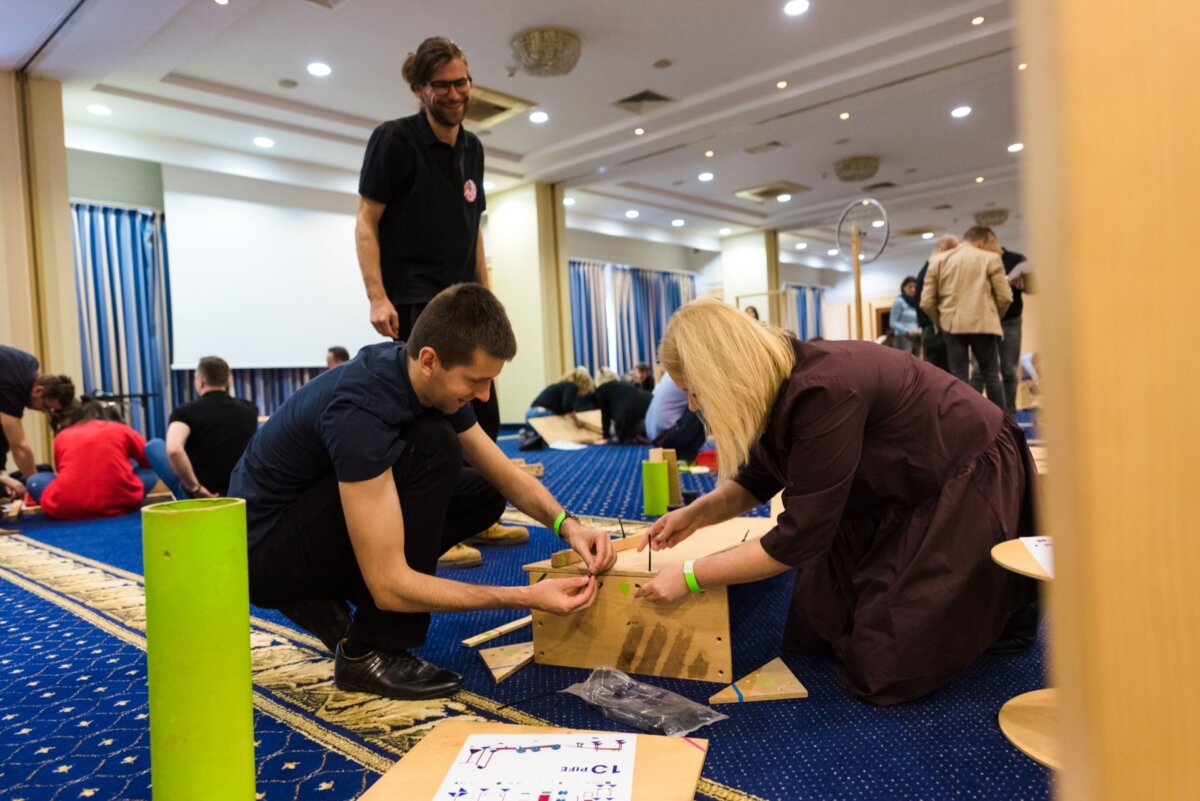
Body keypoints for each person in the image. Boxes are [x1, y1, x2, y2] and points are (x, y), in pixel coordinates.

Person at [634, 299, 1037, 705]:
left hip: (959, 474)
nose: (693, 406)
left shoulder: (823, 391)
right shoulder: (776, 380)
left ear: (724, 371)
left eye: (696, 391)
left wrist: (690, 575)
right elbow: (758, 477)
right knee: (816, 631)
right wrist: (695, 514)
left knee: (883, 669)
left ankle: (1006, 612)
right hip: (887, 483)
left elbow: (798, 540)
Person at [228, 284, 615, 700]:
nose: (484, 396)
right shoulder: (360, 411)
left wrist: (569, 526)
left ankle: (326, 593)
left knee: (484, 492)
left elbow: (504, 473)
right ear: (430, 359)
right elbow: (390, 584)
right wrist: (526, 596)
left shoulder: (420, 377)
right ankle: (369, 652)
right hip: (262, 555)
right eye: (476, 381)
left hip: (303, 523)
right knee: (435, 447)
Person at [355, 35, 522, 558]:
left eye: (462, 82)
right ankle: (435, 525)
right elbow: (366, 221)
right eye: (443, 85)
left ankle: (478, 513)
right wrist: (377, 297)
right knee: (431, 422)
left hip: (464, 301)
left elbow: (473, 231)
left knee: (482, 408)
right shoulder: (394, 140)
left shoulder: (473, 148)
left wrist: (488, 301)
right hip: (414, 301)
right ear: (420, 88)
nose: (456, 93)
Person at [919, 226, 1012, 411]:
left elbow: (927, 301)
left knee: (959, 378)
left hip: (952, 325)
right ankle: (1004, 426)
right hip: (984, 325)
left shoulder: (938, 261)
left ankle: (965, 424)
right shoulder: (991, 259)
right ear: (980, 242)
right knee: (992, 375)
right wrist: (994, 316)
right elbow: (1005, 297)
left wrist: (941, 321)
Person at [145, 356, 258, 500]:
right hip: (238, 494)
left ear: (200, 380)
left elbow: (174, 449)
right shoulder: (249, 409)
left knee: (154, 445)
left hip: (202, 496)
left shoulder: (185, 412)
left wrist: (196, 489)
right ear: (228, 380)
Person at [25, 400, 157, 520]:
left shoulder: (62, 435)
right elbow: (149, 459)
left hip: (65, 507)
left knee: (35, 480)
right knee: (152, 471)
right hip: (122, 502)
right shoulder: (121, 429)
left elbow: (61, 470)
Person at [0, 345, 75, 499]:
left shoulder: (29, 363)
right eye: (46, 407)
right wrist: (36, 487)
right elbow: (19, 445)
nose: (44, 412)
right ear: (38, 391)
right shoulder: (11, 386)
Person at [914, 235, 958, 372]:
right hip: (935, 331)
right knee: (944, 377)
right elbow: (926, 303)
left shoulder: (927, 268)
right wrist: (940, 322)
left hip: (932, 331)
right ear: (945, 249)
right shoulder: (933, 268)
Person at [645, 372, 707, 461]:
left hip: (655, 437)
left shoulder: (670, 371)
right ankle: (687, 452)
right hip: (666, 437)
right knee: (705, 405)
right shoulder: (691, 372)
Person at [587, 368, 652, 445]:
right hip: (649, 413)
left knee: (612, 429)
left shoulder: (601, 390)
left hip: (629, 420)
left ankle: (634, 436)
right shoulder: (623, 384)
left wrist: (606, 438)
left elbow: (605, 417)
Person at [527, 367, 596, 420]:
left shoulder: (561, 386)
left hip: (529, 413)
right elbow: (567, 405)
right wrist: (576, 420)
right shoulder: (572, 386)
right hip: (541, 414)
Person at [888, 276, 922, 354]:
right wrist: (907, 331)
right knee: (904, 362)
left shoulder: (917, 303)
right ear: (904, 288)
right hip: (903, 337)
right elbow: (892, 322)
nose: (913, 289)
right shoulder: (899, 301)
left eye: (915, 287)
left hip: (916, 337)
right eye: (910, 287)